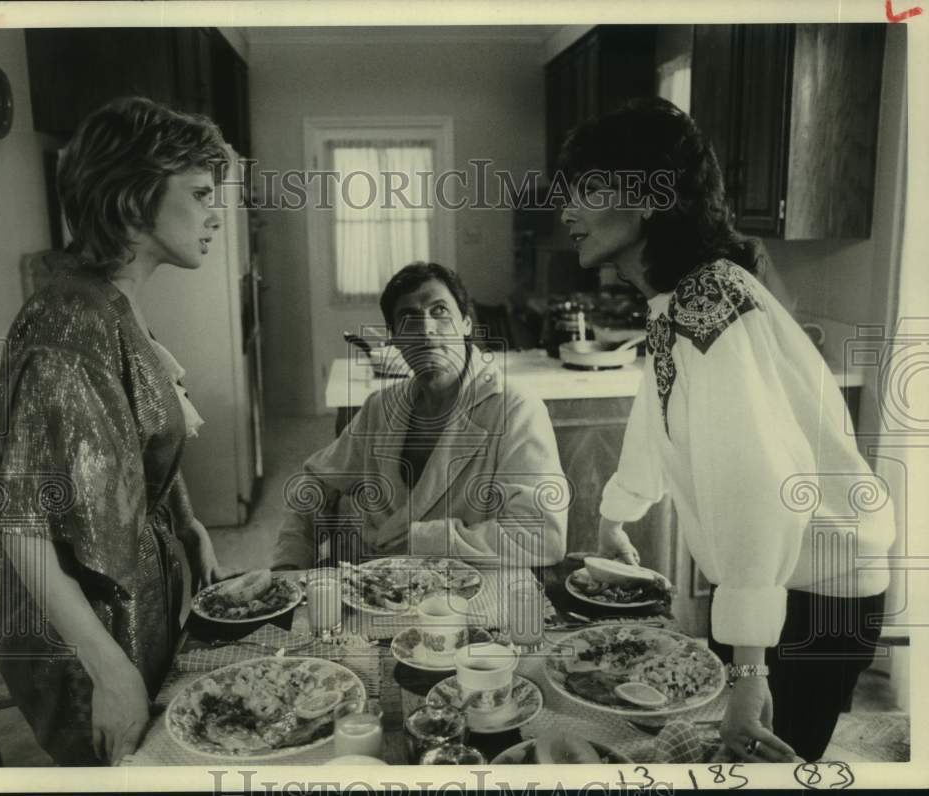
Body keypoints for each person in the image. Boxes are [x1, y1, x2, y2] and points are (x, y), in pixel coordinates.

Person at [556, 97, 894, 762]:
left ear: (650, 196)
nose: (567, 211)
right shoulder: (681, 299)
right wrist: (618, 514)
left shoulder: (712, 309)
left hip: (814, 596)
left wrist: (749, 670)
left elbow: (758, 489)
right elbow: (659, 417)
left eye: (586, 190)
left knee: (760, 767)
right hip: (780, 583)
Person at [0, 97, 236, 765]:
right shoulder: (67, 324)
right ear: (133, 203)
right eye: (199, 193)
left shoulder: (115, 299)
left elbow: (149, 434)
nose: (216, 212)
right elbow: (21, 526)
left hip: (134, 594)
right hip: (82, 639)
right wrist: (109, 673)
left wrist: (191, 529)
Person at [272, 262, 569, 570]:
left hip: (466, 598)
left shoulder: (515, 409)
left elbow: (542, 535)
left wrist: (420, 539)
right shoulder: (380, 406)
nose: (426, 330)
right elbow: (314, 483)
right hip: (372, 587)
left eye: (439, 311)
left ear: (466, 324)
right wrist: (289, 564)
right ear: (395, 338)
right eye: (409, 317)